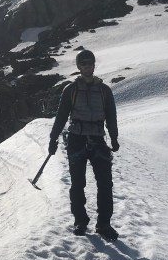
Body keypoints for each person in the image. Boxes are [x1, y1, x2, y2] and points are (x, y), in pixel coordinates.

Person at [49, 49, 120, 239]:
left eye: (90, 64)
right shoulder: (71, 90)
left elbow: (111, 117)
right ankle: (80, 221)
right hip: (77, 139)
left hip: (96, 139)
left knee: (105, 184)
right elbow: (61, 116)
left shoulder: (104, 91)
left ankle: (103, 224)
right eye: (84, 64)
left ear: (94, 65)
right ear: (79, 67)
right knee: (77, 184)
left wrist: (114, 137)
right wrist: (53, 138)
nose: (87, 67)